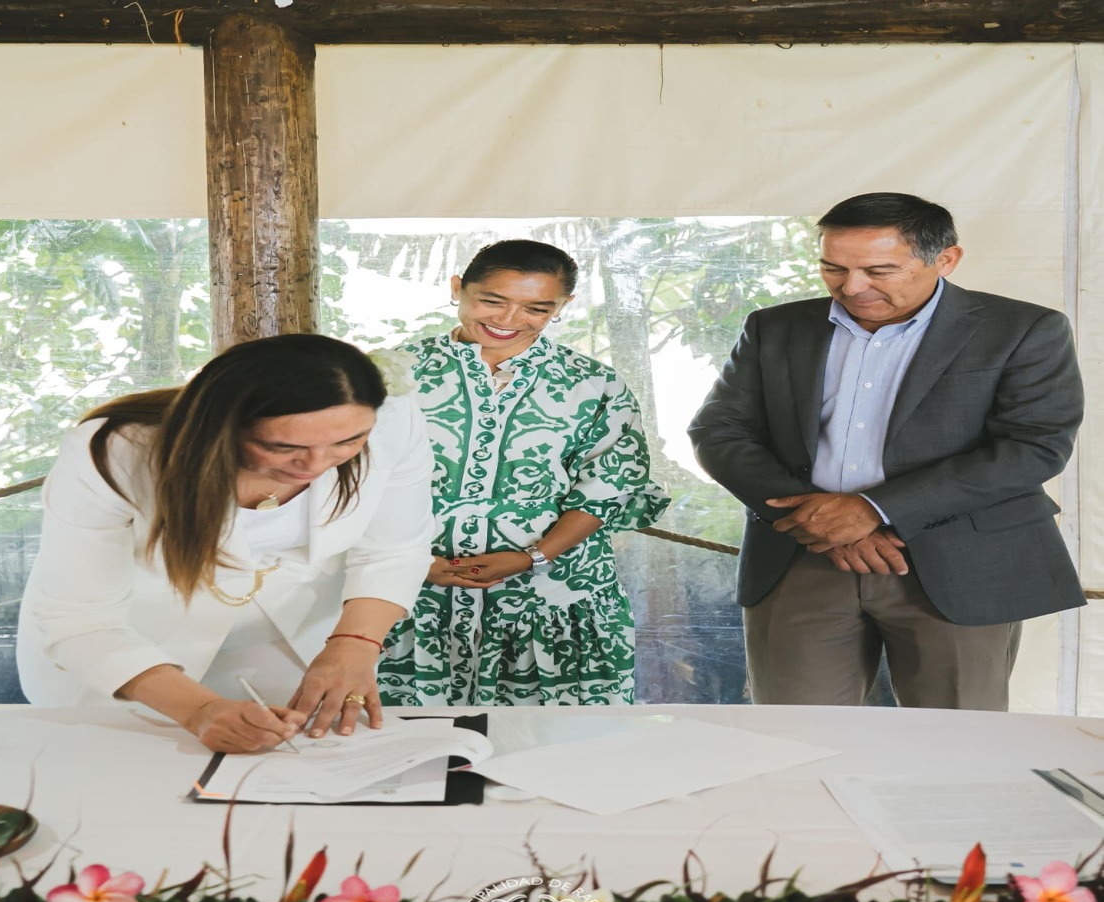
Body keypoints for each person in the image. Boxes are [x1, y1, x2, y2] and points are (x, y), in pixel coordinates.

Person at [688, 192, 1085, 710]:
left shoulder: (1023, 329)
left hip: (960, 563)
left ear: (946, 259)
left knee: (955, 748)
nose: (852, 287)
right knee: (794, 739)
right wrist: (819, 521)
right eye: (833, 268)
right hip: (801, 558)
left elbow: (1035, 446)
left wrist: (871, 510)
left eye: (879, 270)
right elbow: (719, 431)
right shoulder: (776, 327)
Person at [16, 334, 435, 752]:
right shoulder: (115, 453)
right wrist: (198, 711)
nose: (316, 464)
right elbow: (80, 617)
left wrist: (355, 644)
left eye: (347, 443)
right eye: (284, 447)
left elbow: (393, 549)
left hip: (291, 636)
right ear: (223, 425)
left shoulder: (393, 422)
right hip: (131, 650)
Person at [378, 239, 669, 705]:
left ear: (562, 307)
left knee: (549, 759)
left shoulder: (594, 385)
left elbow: (610, 486)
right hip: (408, 597)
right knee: (404, 757)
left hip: (553, 601)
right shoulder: (391, 374)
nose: (508, 320)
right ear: (458, 288)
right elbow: (349, 480)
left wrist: (533, 556)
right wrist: (411, 565)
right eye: (492, 301)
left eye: (536, 308)